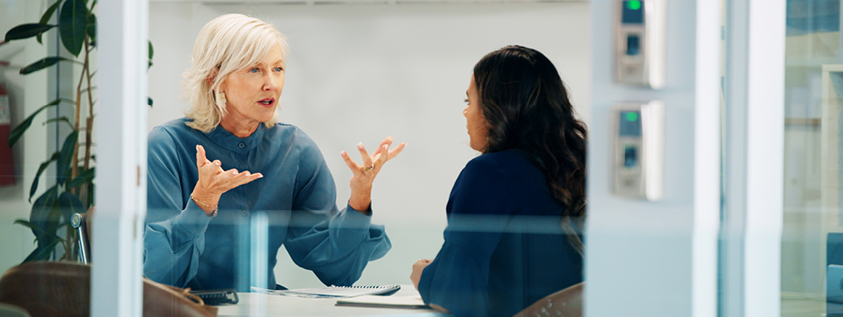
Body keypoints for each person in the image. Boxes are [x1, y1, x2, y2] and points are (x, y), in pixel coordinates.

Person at [143, 14, 406, 292]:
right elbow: (158, 278)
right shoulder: (166, 146)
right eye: (255, 70)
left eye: (278, 69)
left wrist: (360, 197)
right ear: (215, 78)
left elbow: (335, 270)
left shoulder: (295, 148)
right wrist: (203, 201)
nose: (272, 84)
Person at [409, 45, 586, 316]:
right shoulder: (583, 167)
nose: (466, 113)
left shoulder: (489, 174)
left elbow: (452, 296)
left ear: (497, 108)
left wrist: (424, 275)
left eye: (469, 101)